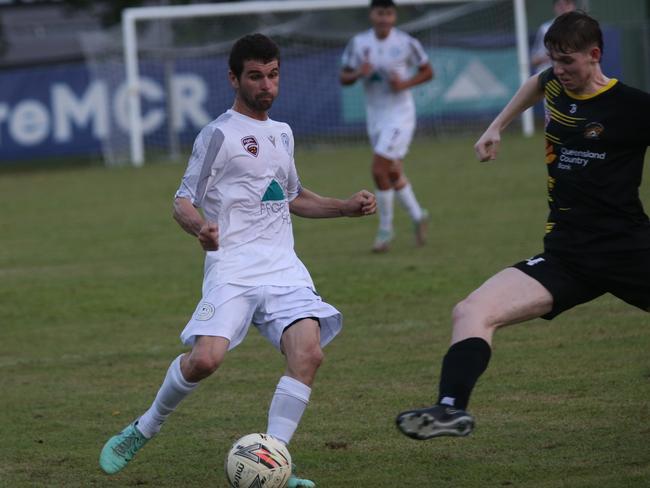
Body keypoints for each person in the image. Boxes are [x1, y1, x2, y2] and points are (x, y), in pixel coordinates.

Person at [99, 33, 376, 486]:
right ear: (234, 78)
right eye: (255, 76)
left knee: (308, 353)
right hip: (232, 267)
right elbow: (182, 201)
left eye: (273, 75)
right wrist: (201, 230)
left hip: (284, 267)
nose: (266, 85)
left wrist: (344, 207)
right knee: (206, 360)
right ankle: (143, 427)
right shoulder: (218, 134)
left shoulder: (283, 134)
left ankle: (272, 463)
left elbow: (291, 197)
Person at [396, 11, 650, 440]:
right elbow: (536, 83)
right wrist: (497, 126)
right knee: (471, 311)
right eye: (554, 60)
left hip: (626, 248)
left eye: (568, 61)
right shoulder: (554, 83)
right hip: (567, 255)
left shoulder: (632, 107)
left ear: (595, 55)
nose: (560, 70)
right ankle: (450, 409)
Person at [340, 0, 433, 253]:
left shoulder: (406, 42)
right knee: (392, 171)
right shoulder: (359, 43)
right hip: (376, 117)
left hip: (400, 115)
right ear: (372, 15)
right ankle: (418, 215)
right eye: (380, 13)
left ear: (394, 16)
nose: (384, 18)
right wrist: (360, 72)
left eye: (388, 13)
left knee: (378, 168)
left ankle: (385, 229)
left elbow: (428, 71)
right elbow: (344, 77)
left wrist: (405, 84)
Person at [530, 0, 576, 73]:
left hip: (574, 74)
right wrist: (552, 56)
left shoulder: (581, 28)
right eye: (560, 5)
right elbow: (534, 60)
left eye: (567, 4)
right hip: (550, 74)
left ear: (573, 6)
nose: (563, 8)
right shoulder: (545, 29)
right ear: (555, 7)